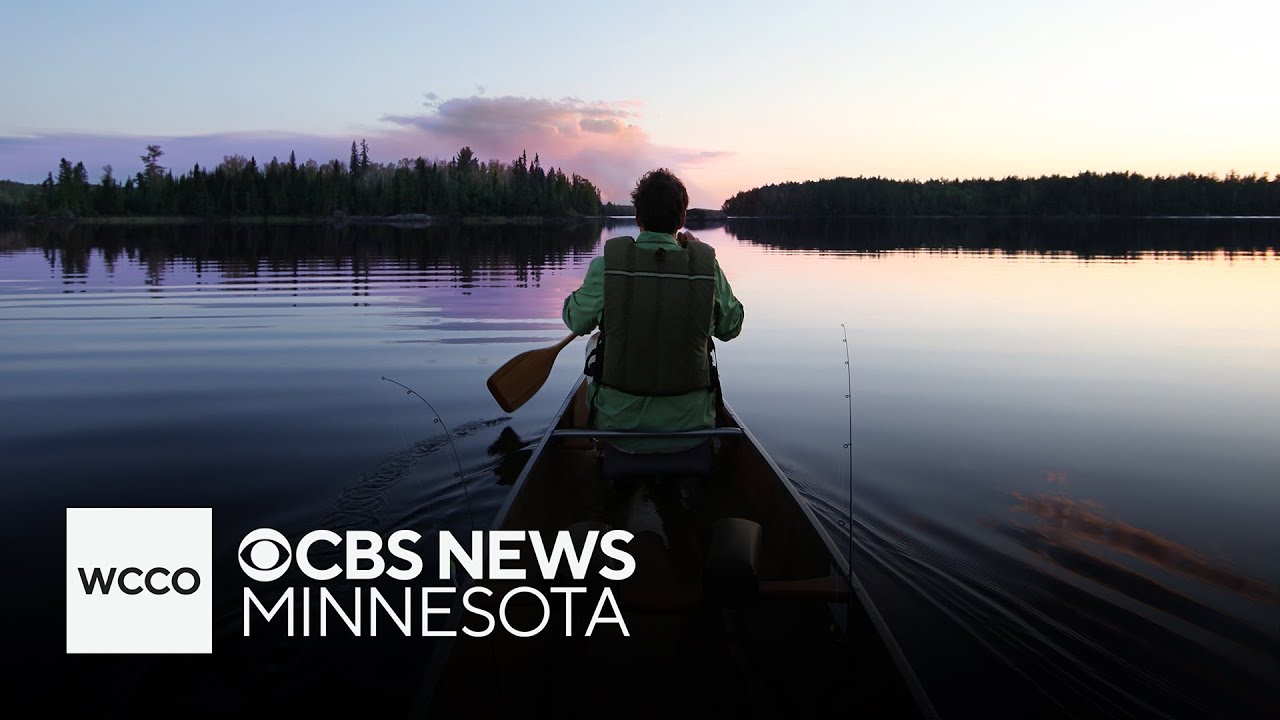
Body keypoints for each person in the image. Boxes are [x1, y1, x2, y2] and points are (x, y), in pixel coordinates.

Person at [562, 168, 744, 451]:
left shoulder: (607, 267)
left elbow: (575, 320)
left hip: (617, 428)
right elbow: (732, 326)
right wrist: (698, 260)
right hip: (692, 428)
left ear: (638, 218)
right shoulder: (706, 267)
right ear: (682, 219)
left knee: (593, 344)